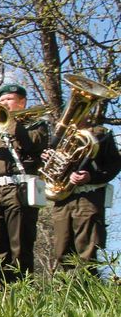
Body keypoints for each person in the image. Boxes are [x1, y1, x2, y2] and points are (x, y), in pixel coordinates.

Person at [0, 84, 48, 287]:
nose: (4, 104)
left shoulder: (36, 125)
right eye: (2, 100)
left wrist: (11, 121)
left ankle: (22, 291)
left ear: (22, 102)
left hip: (18, 189)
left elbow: (32, 146)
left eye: (9, 100)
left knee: (20, 245)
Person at [48, 109, 121, 276]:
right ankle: (71, 294)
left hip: (88, 196)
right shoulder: (59, 136)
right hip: (63, 198)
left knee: (87, 249)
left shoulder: (101, 134)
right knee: (61, 250)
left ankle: (89, 296)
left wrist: (91, 176)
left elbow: (114, 166)